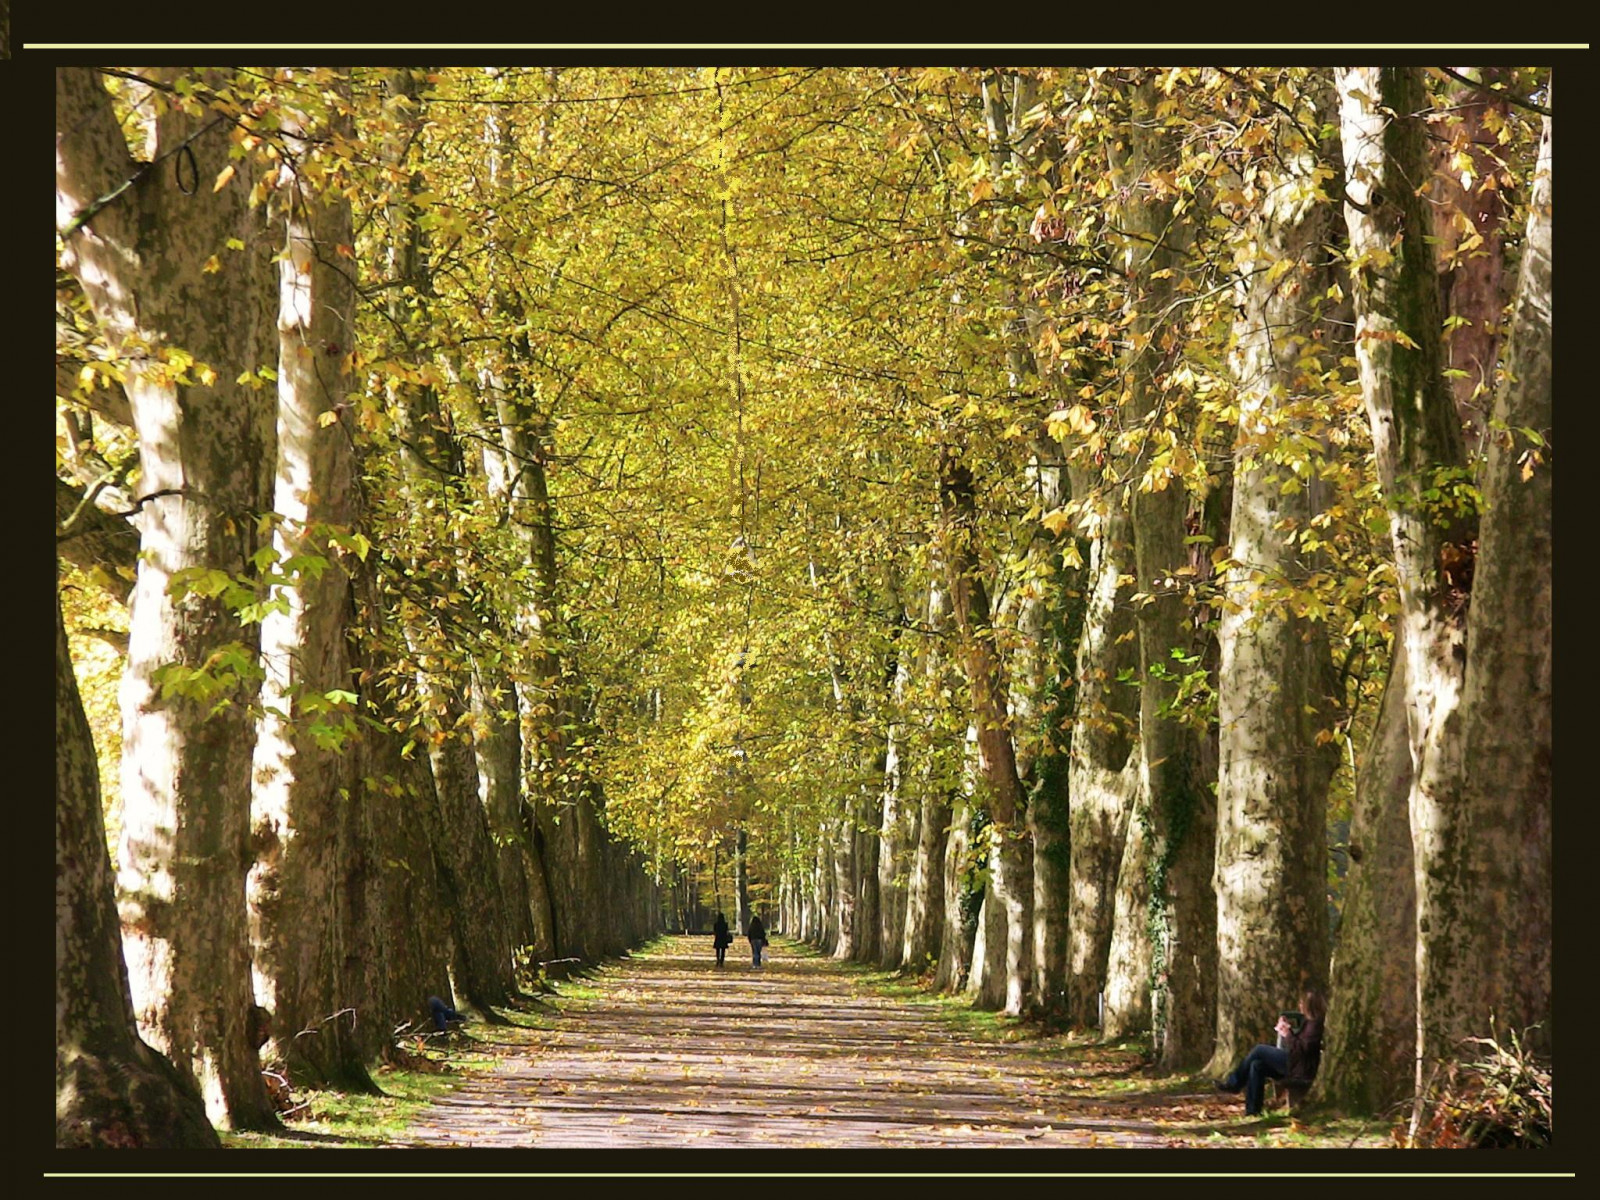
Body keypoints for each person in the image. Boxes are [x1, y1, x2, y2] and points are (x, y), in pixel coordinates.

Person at [1216, 989, 1326, 1116]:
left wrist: (1287, 1033)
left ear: (1309, 1006)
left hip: (1298, 1066)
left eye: (1302, 1003)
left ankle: (1234, 1084)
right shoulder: (1308, 1022)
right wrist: (1288, 1030)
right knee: (1257, 1065)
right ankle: (1252, 1110)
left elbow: (1303, 1049)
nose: (1300, 1005)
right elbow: (1300, 1043)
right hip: (1295, 1062)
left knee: (1259, 1050)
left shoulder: (1315, 1024)